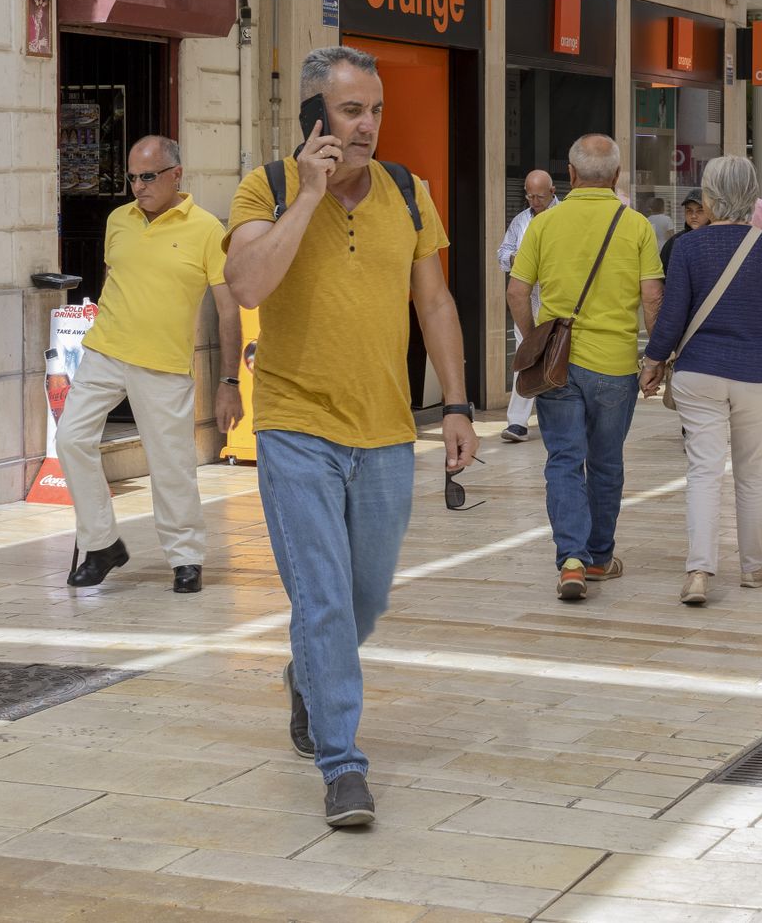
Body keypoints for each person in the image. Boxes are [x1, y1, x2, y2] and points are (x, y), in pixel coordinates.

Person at [223, 45, 478, 827]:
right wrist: (308, 192)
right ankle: (343, 765)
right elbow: (247, 284)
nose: (366, 126)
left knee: (363, 602)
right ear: (313, 117)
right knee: (325, 598)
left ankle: (309, 672)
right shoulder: (264, 188)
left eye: (374, 110)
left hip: (387, 430)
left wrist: (459, 405)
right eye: (349, 111)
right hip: (297, 426)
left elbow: (434, 303)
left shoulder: (408, 193)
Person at [56, 136, 242, 595]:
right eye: (132, 178)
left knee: (171, 464)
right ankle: (101, 544)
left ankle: (185, 558)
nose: (137, 187)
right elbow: (114, 280)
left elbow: (229, 309)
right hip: (105, 351)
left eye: (148, 177)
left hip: (162, 364)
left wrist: (229, 380)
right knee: (71, 438)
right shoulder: (119, 220)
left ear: (176, 175)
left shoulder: (206, 230)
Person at [640, 155, 762, 607]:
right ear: (753, 198)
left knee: (703, 470)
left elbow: (672, 316)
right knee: (752, 471)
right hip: (758, 373)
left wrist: (652, 361)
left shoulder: (690, 247)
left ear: (711, 199)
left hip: (700, 372)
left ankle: (698, 571)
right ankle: (754, 567)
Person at [507, 135, 662, 602]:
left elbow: (516, 292)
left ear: (569, 177)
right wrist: (655, 356)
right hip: (615, 366)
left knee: (564, 460)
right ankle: (598, 556)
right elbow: (653, 297)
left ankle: (570, 561)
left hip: (557, 366)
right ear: (616, 177)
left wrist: (537, 338)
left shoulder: (543, 224)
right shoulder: (637, 226)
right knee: (606, 461)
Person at [497, 170, 558, 443]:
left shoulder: (565, 216)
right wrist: (516, 259)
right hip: (527, 302)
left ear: (552, 191)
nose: (534, 201)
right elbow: (501, 254)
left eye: (539, 196)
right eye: (529, 195)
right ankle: (517, 423)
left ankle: (557, 418)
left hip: (558, 301)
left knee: (559, 359)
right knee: (525, 358)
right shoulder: (521, 220)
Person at [660, 189, 707, 277]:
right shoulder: (675, 242)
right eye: (689, 211)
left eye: (700, 211)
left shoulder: (716, 241)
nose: (693, 216)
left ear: (709, 212)